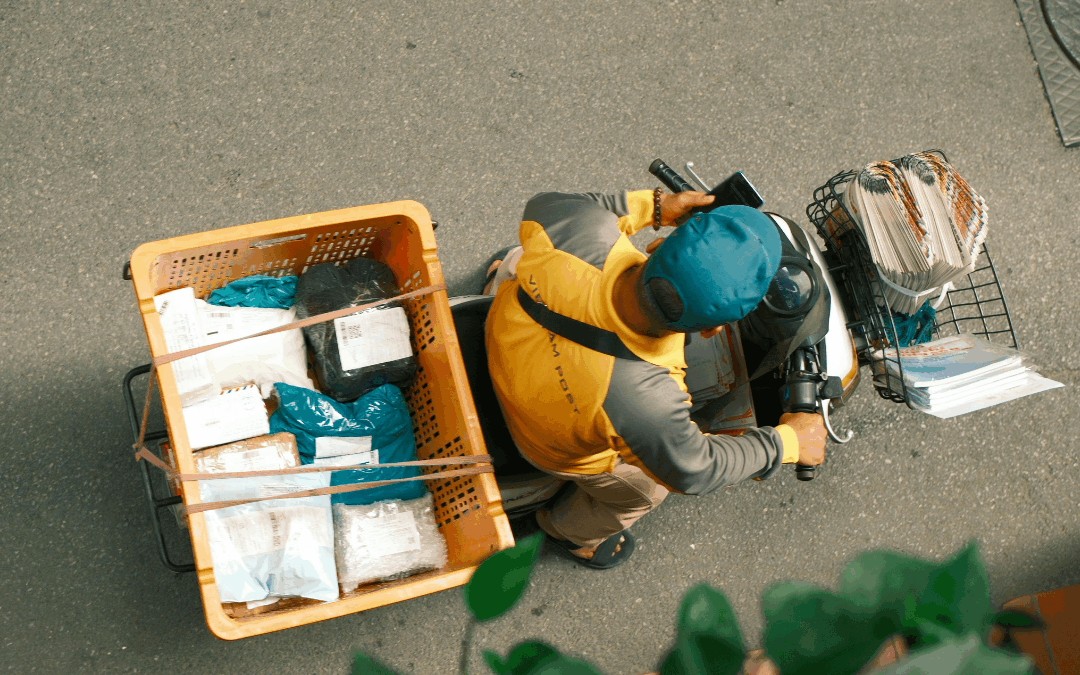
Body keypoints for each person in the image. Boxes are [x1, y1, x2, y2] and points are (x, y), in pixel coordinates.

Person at [483, 189, 827, 569]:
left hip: (500, 336)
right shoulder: (648, 404)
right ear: (715, 330)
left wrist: (656, 206)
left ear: (659, 246)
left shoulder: (576, 230)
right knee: (647, 491)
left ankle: (495, 279)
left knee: (525, 258)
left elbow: (545, 203)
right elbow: (694, 470)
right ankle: (569, 532)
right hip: (539, 442)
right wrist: (788, 442)